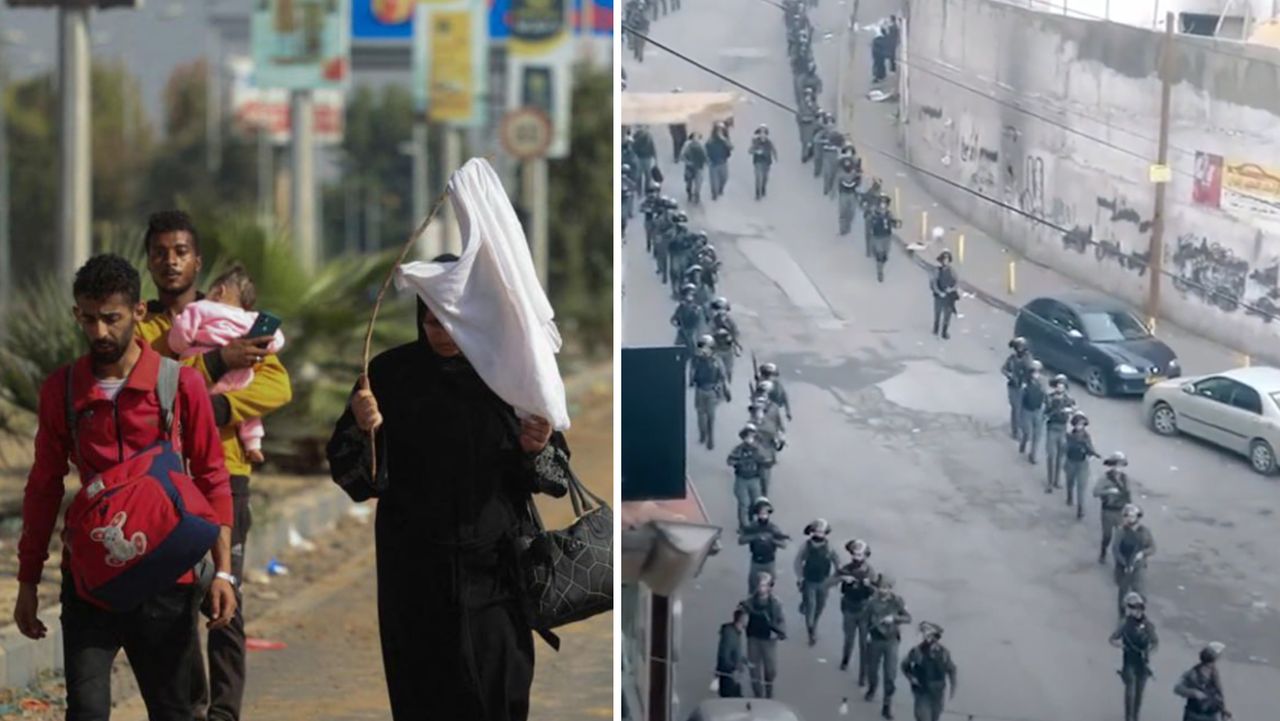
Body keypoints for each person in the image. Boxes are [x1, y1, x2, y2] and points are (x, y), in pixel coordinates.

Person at [326, 266, 574, 721]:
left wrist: (535, 447)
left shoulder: (509, 374)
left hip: (497, 566)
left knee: (499, 687)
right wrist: (364, 430)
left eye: (453, 322)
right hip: (416, 570)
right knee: (427, 690)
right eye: (432, 322)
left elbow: (555, 478)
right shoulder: (389, 375)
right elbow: (355, 478)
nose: (441, 333)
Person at [14, 254, 237, 721]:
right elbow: (43, 486)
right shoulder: (63, 389)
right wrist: (29, 580)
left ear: (138, 313)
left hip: (167, 582)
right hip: (90, 579)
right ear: (77, 314)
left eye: (111, 319)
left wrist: (222, 572)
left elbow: (213, 476)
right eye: (89, 319)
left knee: (174, 711)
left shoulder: (180, 385)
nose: (99, 332)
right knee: (87, 711)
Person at [136, 210, 292, 721]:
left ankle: (225, 713)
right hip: (162, 485)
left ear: (197, 261)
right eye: (160, 252)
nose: (171, 261)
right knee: (174, 606)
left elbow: (276, 384)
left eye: (180, 251)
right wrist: (218, 363)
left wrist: (219, 409)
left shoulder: (230, 319)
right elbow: (153, 384)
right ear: (149, 261)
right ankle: (188, 708)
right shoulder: (143, 327)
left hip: (225, 477)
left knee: (226, 601)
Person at [167, 265, 286, 467]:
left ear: (219, 291)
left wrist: (181, 341)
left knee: (200, 404)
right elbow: (277, 340)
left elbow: (179, 339)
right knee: (248, 409)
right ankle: (253, 444)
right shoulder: (250, 318)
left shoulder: (200, 308)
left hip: (206, 373)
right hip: (241, 376)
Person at [865, 574, 912, 719]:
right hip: (876, 639)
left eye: (886, 588)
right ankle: (872, 687)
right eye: (881, 587)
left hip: (891, 640)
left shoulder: (897, 602)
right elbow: (865, 619)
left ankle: (887, 705)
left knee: (890, 675)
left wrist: (894, 618)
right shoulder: (872, 602)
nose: (883, 590)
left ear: (890, 589)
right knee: (872, 669)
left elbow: (908, 618)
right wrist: (866, 633)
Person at [830, 539, 877, 681]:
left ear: (865, 556)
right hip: (849, 608)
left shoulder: (870, 571)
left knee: (864, 644)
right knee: (849, 639)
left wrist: (869, 585)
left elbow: (877, 591)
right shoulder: (847, 568)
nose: (857, 558)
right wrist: (843, 579)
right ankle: (845, 661)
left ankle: (863, 674)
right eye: (855, 555)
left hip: (864, 610)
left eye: (860, 555)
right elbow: (830, 581)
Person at [1111, 592, 1157, 721]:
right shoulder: (1124, 624)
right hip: (1129, 661)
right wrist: (1121, 646)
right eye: (1131, 607)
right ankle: (1129, 718)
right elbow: (1113, 639)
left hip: (1143, 662)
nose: (1134, 610)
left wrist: (1149, 651)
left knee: (1139, 694)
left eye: (1136, 607)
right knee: (1130, 692)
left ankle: (1136, 717)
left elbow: (1155, 642)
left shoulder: (1148, 625)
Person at [739, 572, 787, 699]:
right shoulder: (750, 602)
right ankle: (759, 695)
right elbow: (741, 613)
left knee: (771, 670)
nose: (762, 588)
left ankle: (769, 689)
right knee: (754, 670)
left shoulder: (775, 604)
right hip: (753, 638)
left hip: (768, 640)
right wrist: (741, 621)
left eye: (765, 585)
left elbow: (781, 620)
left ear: (770, 587)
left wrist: (779, 633)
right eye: (760, 585)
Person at [794, 519, 840, 646]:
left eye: (822, 532)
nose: (819, 534)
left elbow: (837, 562)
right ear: (812, 532)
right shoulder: (806, 546)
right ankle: (811, 629)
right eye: (817, 531)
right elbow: (798, 561)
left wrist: (835, 578)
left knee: (820, 606)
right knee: (811, 606)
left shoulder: (829, 547)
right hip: (809, 581)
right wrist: (800, 577)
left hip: (824, 582)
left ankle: (814, 622)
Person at [902, 622, 957, 721]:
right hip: (922, 692)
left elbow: (951, 669)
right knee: (924, 718)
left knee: (935, 717)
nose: (927, 638)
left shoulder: (944, 653)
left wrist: (953, 687)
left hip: (937, 693)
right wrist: (911, 678)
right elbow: (904, 665)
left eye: (931, 636)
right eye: (926, 635)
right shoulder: (917, 651)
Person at [1111, 504, 1155, 620]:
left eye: (1131, 516)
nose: (1129, 519)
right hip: (1123, 567)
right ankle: (1122, 615)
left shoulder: (1145, 531)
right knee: (1123, 592)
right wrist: (1124, 563)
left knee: (1141, 592)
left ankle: (1139, 614)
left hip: (1139, 566)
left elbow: (1152, 548)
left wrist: (1143, 554)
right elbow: (1115, 550)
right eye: (1127, 516)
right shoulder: (1121, 531)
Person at [738, 497, 789, 595]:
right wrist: (756, 537)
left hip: (769, 562)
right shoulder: (753, 527)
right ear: (757, 514)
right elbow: (741, 540)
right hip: (756, 562)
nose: (763, 515)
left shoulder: (773, 528)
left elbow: (783, 544)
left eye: (766, 513)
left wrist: (771, 539)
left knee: (769, 588)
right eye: (761, 513)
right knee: (753, 588)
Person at [690, 335, 731, 450]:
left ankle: (710, 438)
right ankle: (703, 435)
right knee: (701, 415)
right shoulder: (697, 359)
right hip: (701, 390)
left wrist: (726, 390)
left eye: (705, 347)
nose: (702, 349)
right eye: (701, 346)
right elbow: (692, 372)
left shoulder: (716, 361)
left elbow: (723, 377)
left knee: (710, 416)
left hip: (711, 390)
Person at [728, 425, 771, 529]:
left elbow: (766, 460)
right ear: (744, 438)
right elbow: (730, 461)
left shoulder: (758, 450)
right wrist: (740, 462)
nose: (750, 439)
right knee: (744, 503)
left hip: (754, 479)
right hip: (741, 480)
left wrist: (763, 461)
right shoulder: (739, 449)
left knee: (756, 503)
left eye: (752, 436)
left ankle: (754, 522)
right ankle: (744, 526)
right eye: (748, 436)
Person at [1174, 643, 1231, 721]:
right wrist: (1193, 693)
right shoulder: (1193, 673)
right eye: (1210, 664)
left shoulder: (1214, 674)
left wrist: (1223, 711)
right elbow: (1177, 688)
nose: (1211, 666)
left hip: (1211, 716)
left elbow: (1218, 695)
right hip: (1194, 715)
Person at [1093, 452, 1133, 563]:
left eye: (1121, 465)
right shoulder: (1105, 478)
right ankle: (1103, 551)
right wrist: (1108, 491)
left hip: (1120, 511)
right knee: (1107, 536)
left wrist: (1129, 507)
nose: (1118, 468)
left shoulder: (1125, 479)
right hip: (1108, 511)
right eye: (1116, 465)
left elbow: (1128, 494)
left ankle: (1121, 559)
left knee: (1122, 537)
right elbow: (1095, 492)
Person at [1064, 412, 1100, 516]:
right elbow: (1065, 448)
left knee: (1081, 486)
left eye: (1082, 424)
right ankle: (1069, 496)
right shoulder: (1069, 436)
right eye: (1078, 424)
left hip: (1082, 463)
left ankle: (1081, 508)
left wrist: (1091, 452)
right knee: (1070, 482)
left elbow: (1090, 447)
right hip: (1071, 462)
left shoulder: (1086, 436)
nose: (1080, 426)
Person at [1043, 375, 1075, 492]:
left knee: (1060, 457)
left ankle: (1057, 480)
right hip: (1052, 428)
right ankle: (1050, 482)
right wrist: (1055, 409)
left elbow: (1074, 412)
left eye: (1062, 386)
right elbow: (1045, 412)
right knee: (1051, 455)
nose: (1060, 388)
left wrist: (1071, 411)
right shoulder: (1049, 398)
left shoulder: (1068, 399)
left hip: (1062, 429)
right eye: (1058, 385)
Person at [1001, 337, 1032, 438]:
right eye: (1018, 347)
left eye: (1021, 347)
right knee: (1016, 409)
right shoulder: (1012, 359)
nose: (1019, 349)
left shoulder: (1028, 359)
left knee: (1023, 409)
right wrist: (1009, 375)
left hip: (1024, 386)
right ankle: (1016, 431)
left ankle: (1023, 428)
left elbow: (1031, 371)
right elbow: (1003, 369)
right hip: (1013, 387)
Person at [715, 609, 749, 698]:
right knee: (731, 701)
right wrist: (734, 669)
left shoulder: (736, 633)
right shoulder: (730, 634)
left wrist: (744, 661)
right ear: (742, 619)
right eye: (747, 618)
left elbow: (735, 652)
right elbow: (724, 655)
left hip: (733, 676)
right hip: (729, 676)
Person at [867, 195, 901, 283]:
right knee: (880, 255)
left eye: (885, 205)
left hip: (887, 236)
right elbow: (869, 221)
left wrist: (897, 224)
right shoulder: (874, 213)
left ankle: (880, 260)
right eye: (882, 204)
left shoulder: (889, 214)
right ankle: (880, 272)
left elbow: (893, 223)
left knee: (886, 254)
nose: (883, 207)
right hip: (877, 237)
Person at [1018, 360, 1046, 463]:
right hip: (1027, 411)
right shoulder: (1025, 383)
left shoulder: (1042, 382)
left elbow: (1045, 396)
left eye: (1038, 372)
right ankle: (1024, 442)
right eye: (1034, 372)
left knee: (1037, 435)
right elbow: (1020, 399)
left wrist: (1045, 408)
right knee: (1027, 432)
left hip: (1038, 411)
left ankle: (1033, 455)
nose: (1036, 374)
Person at [930, 251, 959, 339]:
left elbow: (956, 282)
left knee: (947, 315)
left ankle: (944, 331)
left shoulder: (952, 271)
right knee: (937, 313)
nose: (946, 262)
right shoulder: (937, 270)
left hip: (949, 297)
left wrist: (952, 289)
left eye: (947, 260)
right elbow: (934, 283)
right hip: (939, 296)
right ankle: (936, 329)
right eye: (944, 260)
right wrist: (939, 292)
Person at [706, 122, 734, 201]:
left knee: (724, 178)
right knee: (714, 181)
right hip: (713, 163)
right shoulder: (711, 140)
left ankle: (720, 189)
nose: (720, 132)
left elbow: (731, 147)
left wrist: (724, 140)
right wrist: (707, 160)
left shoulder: (725, 140)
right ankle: (714, 194)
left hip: (723, 162)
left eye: (721, 130)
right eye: (718, 130)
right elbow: (706, 150)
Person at [750, 125, 779, 200]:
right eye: (761, 133)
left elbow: (774, 150)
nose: (762, 135)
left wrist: (776, 157)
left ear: (766, 134)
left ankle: (763, 188)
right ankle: (757, 193)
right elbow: (750, 151)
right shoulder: (755, 142)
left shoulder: (769, 142)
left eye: (764, 133)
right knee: (758, 178)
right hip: (758, 162)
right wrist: (756, 151)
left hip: (767, 163)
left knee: (765, 178)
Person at [837, 154, 862, 236]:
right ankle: (842, 229)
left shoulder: (855, 174)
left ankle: (848, 225)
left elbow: (858, 184)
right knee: (843, 213)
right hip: (844, 194)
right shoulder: (841, 175)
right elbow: (840, 184)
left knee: (851, 213)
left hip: (852, 194)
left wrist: (858, 176)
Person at [681, 132, 708, 203]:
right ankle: (690, 192)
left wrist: (706, 162)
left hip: (696, 166)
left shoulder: (701, 145)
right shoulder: (687, 145)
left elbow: (705, 155)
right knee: (691, 182)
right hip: (692, 167)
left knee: (697, 182)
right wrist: (688, 162)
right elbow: (682, 156)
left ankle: (696, 194)